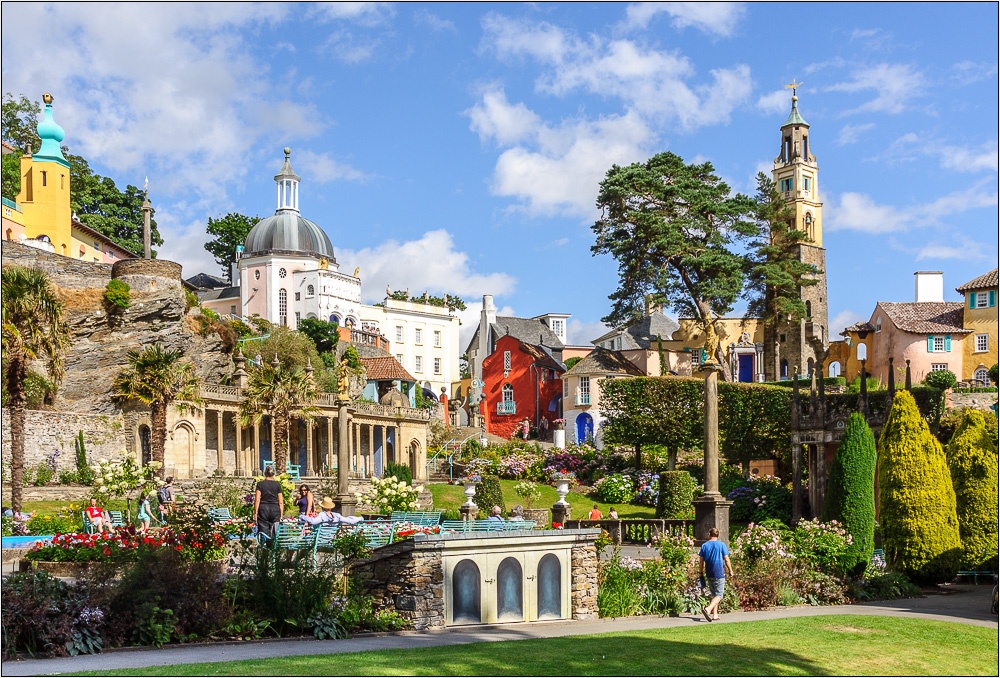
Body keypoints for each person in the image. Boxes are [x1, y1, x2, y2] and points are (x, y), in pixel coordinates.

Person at [698, 526, 734, 622]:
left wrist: (700, 572)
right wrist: (730, 570)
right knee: (719, 595)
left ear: (709, 534)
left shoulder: (704, 546)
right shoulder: (721, 545)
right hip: (719, 571)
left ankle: (715, 615)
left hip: (709, 572)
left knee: (714, 594)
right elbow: (726, 559)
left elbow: (701, 561)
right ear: (718, 535)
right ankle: (708, 609)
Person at [253, 465, 284, 540]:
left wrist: (255, 513)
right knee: (274, 531)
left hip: (263, 509)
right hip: (275, 509)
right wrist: (281, 515)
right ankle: (272, 547)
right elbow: (280, 502)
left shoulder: (260, 484)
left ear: (264, 473)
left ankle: (264, 547)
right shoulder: (277, 485)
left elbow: (257, 500)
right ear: (273, 474)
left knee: (263, 531)